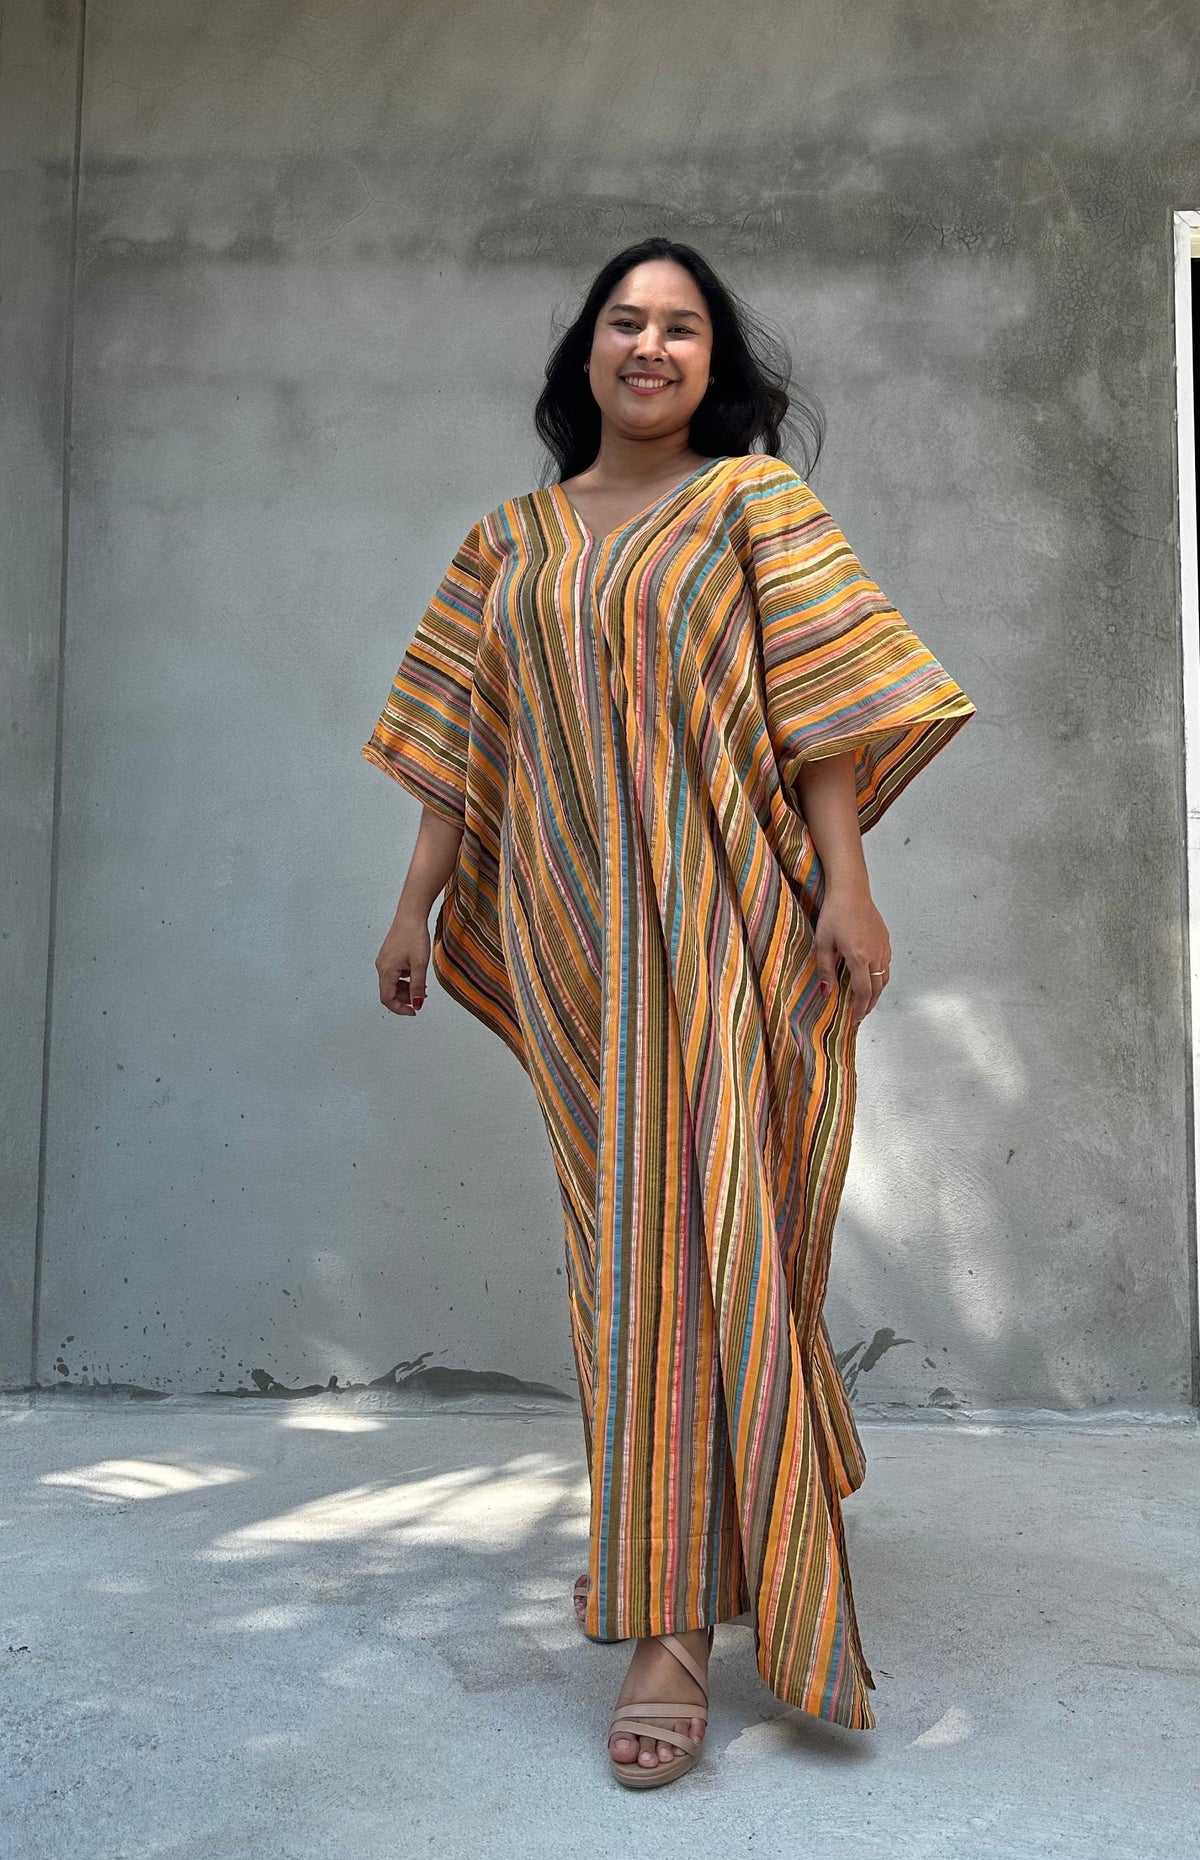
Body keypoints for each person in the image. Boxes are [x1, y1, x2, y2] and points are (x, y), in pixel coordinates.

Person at [362, 237, 975, 1788]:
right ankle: (749, 1510)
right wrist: (417, 899)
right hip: (580, 954)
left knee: (724, 1238)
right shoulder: (509, 542)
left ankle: (672, 1624)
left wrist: (849, 887)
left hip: (735, 931)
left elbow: (822, 711)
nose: (650, 347)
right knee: (634, 1254)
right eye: (625, 322)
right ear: (586, 354)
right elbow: (458, 740)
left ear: (714, 361)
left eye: (681, 326)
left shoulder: (755, 505)